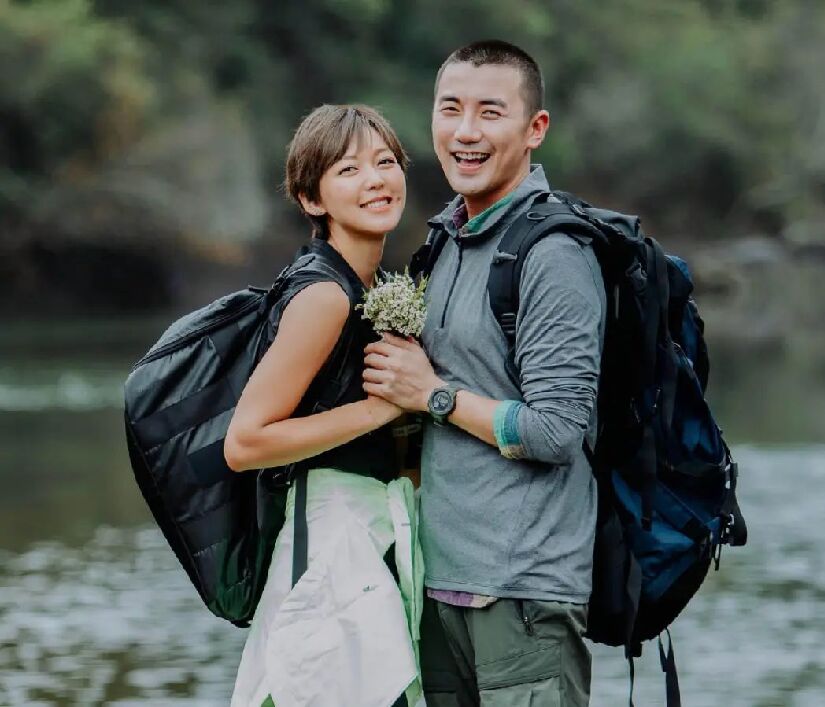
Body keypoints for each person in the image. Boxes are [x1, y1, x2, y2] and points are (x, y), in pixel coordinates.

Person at [363, 40, 605, 706]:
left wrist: (433, 394)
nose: (466, 132)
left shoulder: (554, 253)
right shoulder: (446, 240)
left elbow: (557, 429)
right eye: (451, 110)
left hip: (522, 596)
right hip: (438, 589)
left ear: (535, 129)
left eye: (489, 112)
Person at [224, 104, 423, 707]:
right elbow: (246, 442)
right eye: (349, 170)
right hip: (330, 538)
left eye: (385, 162)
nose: (376, 180)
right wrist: (380, 410)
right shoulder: (324, 295)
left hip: (369, 531)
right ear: (313, 199)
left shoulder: (369, 287)